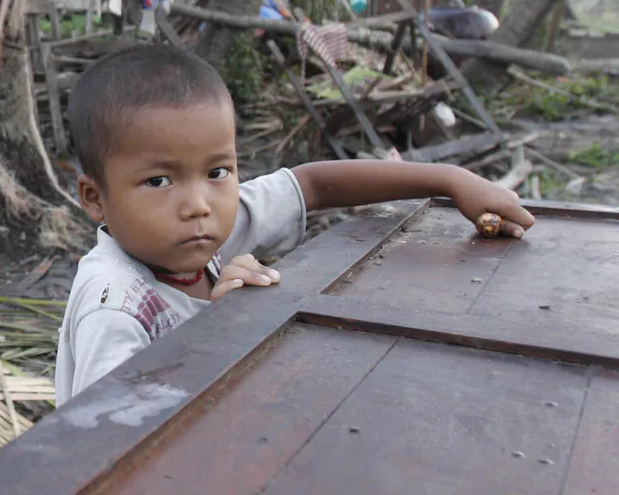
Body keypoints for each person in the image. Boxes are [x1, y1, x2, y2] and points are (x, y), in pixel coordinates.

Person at [53, 45, 535, 406]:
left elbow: (313, 185)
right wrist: (217, 334)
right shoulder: (114, 311)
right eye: (159, 180)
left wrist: (450, 180)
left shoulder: (197, 232)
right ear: (95, 198)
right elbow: (107, 446)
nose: (198, 204)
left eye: (218, 171)